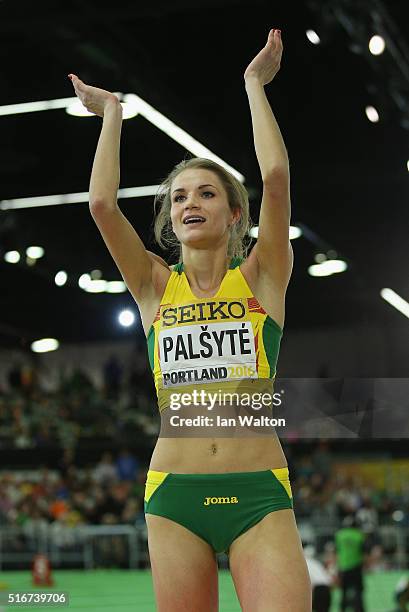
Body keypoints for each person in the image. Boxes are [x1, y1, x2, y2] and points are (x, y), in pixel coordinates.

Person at [69, 27, 311, 611]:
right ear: (170, 219)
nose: (190, 203)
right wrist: (111, 115)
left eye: (205, 193)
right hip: (174, 494)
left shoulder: (262, 277)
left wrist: (254, 84)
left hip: (260, 491)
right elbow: (102, 206)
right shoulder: (155, 286)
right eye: (179, 197)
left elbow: (275, 179)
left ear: (233, 215)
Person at [335, 515, 366, 611]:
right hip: (356, 567)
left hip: (343, 567)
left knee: (344, 592)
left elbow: (337, 551)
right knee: (358, 592)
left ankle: (343, 609)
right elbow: (363, 551)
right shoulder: (359, 535)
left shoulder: (339, 535)